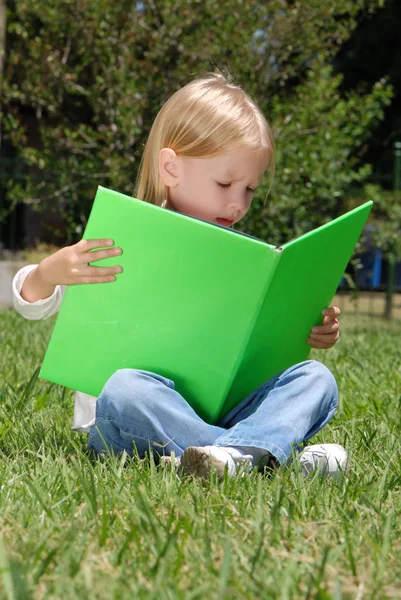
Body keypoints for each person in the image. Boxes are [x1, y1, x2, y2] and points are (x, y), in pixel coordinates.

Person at [13, 73, 348, 481]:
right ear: (171, 167)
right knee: (125, 388)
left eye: (250, 190)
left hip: (225, 409)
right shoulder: (126, 237)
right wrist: (49, 273)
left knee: (316, 378)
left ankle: (228, 457)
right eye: (225, 182)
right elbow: (28, 302)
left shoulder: (242, 256)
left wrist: (309, 328)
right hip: (130, 419)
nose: (237, 202)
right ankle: (266, 456)